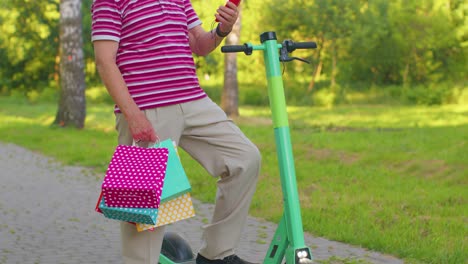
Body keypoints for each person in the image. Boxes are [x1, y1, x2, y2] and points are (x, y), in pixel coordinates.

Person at [91, 1, 261, 264]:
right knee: (146, 206)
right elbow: (104, 61)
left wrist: (223, 29)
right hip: (146, 107)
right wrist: (133, 115)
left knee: (246, 159)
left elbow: (200, 44)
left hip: (193, 100)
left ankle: (216, 254)